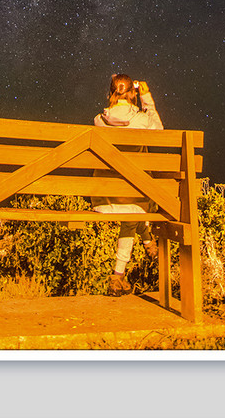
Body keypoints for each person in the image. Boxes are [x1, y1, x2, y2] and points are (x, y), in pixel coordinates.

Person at [93, 73, 163, 296]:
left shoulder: (99, 120)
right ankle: (144, 247)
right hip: (137, 193)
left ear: (111, 94)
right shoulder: (142, 119)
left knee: (131, 213)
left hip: (106, 197)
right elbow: (160, 131)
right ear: (133, 93)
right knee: (135, 208)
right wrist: (147, 99)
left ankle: (121, 273)